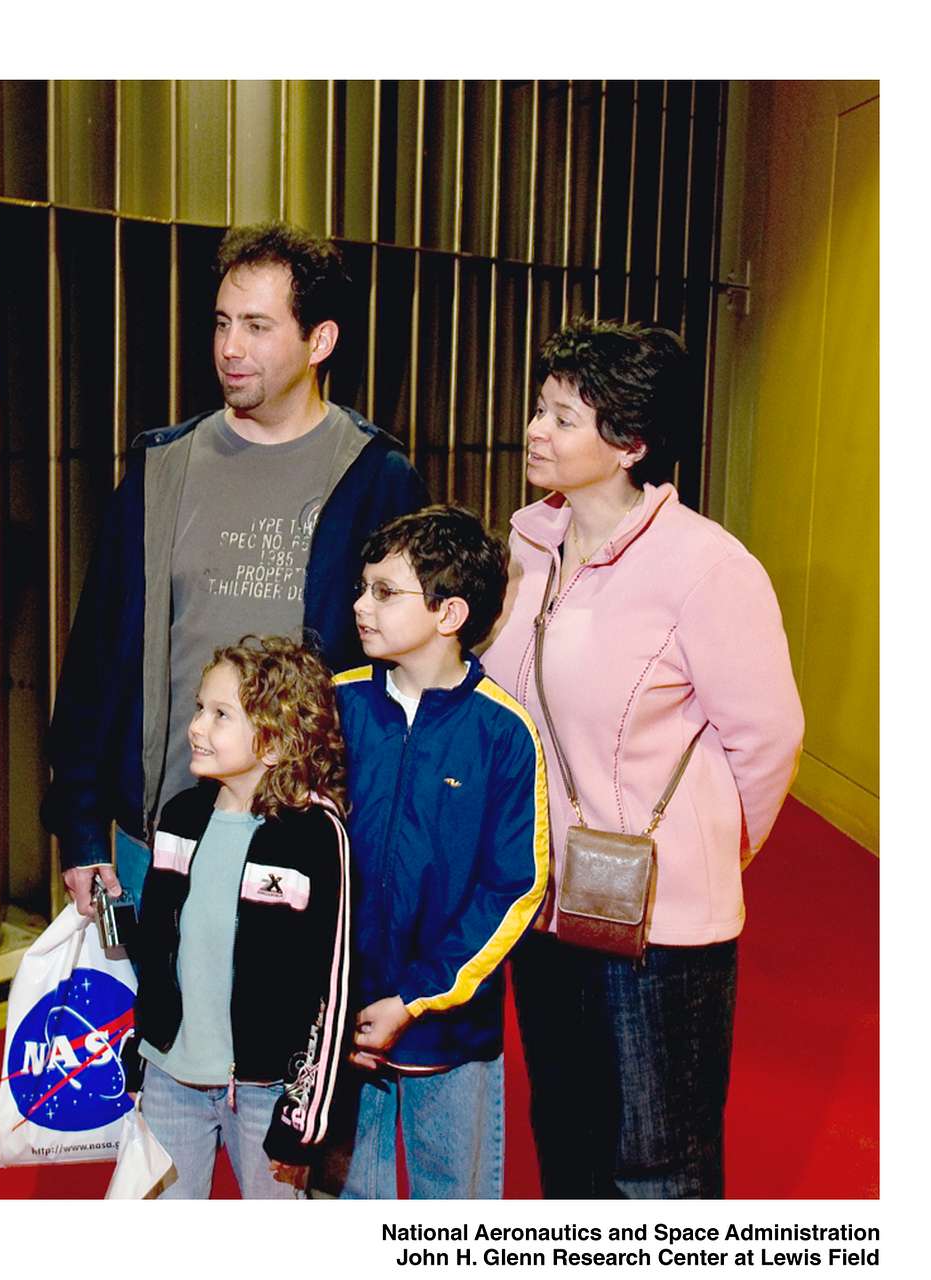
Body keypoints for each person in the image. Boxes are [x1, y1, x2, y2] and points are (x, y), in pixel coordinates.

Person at [480, 317, 805, 1198]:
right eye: (538, 411)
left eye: (561, 418)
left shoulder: (707, 567)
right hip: (545, 903)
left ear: (629, 443)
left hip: (658, 922)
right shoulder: (526, 548)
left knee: (659, 1161)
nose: (535, 431)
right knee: (569, 1138)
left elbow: (766, 741)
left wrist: (703, 857)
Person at [42, 221, 425, 924]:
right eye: (222, 322)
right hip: (153, 836)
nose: (229, 348)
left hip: (305, 843)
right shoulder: (163, 468)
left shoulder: (376, 477)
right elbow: (97, 657)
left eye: (256, 326)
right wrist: (81, 826)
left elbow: (409, 675)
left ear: (321, 341)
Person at [319, 506, 547, 1199]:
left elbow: (514, 887)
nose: (361, 605)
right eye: (362, 588)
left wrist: (416, 999)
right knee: (348, 1196)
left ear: (449, 613)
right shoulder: (336, 706)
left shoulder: (503, 732)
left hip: (449, 1027)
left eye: (385, 592)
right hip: (343, 1019)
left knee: (455, 1200)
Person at [123, 636, 351, 1198]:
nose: (197, 726)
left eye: (221, 715)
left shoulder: (313, 835)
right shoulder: (180, 817)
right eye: (200, 708)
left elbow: (333, 985)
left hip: (265, 1091)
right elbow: (158, 950)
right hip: (172, 1076)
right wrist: (142, 1042)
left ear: (275, 740)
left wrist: (307, 1112)